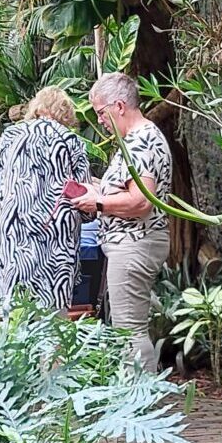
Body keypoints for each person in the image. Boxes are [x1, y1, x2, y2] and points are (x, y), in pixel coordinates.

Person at [71, 72, 174, 368]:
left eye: (101, 112)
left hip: (134, 244)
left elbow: (141, 201)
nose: (99, 120)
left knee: (130, 332)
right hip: (132, 244)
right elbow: (129, 189)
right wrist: (96, 188)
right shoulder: (137, 139)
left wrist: (98, 203)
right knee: (128, 328)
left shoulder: (141, 141)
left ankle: (139, 394)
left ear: (119, 106)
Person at [0, 87, 89, 311]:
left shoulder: (10, 136)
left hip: (12, 243)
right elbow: (85, 204)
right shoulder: (72, 142)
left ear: (36, 108)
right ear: (66, 113)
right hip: (56, 247)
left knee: (12, 313)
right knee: (52, 317)